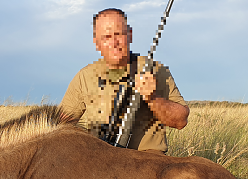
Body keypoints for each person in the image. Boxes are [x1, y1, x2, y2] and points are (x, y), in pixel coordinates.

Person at [60, 8, 189, 152]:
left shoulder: (156, 71)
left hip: (149, 164)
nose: (114, 42)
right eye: (106, 37)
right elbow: (60, 126)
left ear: (130, 35)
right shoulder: (84, 77)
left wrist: (153, 98)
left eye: (119, 34)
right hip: (98, 161)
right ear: (97, 43)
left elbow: (180, 121)